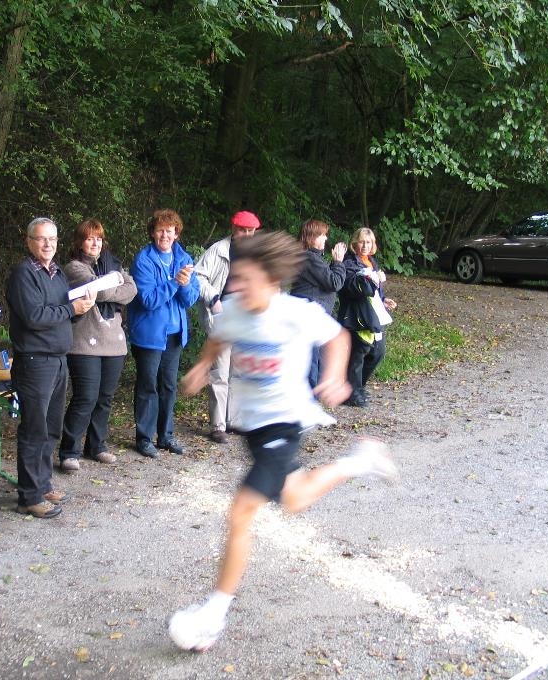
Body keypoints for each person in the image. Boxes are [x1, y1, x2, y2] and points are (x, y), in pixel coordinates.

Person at [167, 231, 398, 652]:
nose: (238, 286)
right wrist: (202, 367)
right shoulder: (234, 309)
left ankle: (213, 615)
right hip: (253, 428)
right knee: (294, 498)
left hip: (284, 423)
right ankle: (359, 461)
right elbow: (218, 338)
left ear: (272, 281)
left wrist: (334, 376)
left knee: (241, 511)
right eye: (236, 278)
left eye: (247, 279)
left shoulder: (296, 312)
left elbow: (339, 337)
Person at [6, 217, 95, 519]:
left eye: (53, 239)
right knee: (34, 429)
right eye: (41, 238)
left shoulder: (57, 273)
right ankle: (28, 497)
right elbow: (34, 316)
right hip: (34, 361)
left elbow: (63, 315)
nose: (48, 244)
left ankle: (42, 485)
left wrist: (81, 308)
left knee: (51, 428)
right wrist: (71, 309)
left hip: (58, 359)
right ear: (29, 241)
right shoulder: (23, 274)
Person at [58, 219, 137, 471]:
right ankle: (69, 451)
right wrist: (115, 283)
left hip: (114, 344)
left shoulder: (113, 265)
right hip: (84, 344)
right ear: (80, 242)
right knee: (86, 398)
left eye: (99, 239)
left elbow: (132, 290)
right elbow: (99, 292)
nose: (95, 243)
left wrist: (110, 283)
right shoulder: (74, 268)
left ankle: (97, 446)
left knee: (104, 399)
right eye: (90, 238)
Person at [128, 208, 200, 458]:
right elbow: (148, 300)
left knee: (168, 386)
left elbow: (191, 298)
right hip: (149, 334)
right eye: (160, 230)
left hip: (175, 334)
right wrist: (174, 282)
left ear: (176, 233)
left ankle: (166, 435)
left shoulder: (184, 258)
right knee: (148, 386)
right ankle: (144, 438)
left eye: (170, 231)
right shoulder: (143, 260)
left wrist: (185, 284)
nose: (165, 235)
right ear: (152, 232)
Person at [194, 210, 261, 443]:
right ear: (234, 228)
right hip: (222, 320)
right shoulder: (218, 250)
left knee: (240, 373)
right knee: (220, 373)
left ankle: (233, 419)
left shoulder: (257, 254)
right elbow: (197, 276)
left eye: (251, 231)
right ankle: (218, 425)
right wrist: (213, 297)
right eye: (243, 230)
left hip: (246, 321)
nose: (247, 234)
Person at [336, 227, 397, 408]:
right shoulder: (349, 263)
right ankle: (352, 393)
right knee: (358, 353)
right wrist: (372, 278)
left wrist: (384, 300)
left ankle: (358, 387)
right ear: (355, 243)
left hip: (373, 315)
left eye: (368, 242)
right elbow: (353, 288)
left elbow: (375, 291)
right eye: (362, 242)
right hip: (356, 316)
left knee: (378, 352)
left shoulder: (371, 262)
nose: (365, 246)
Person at [289, 219, 347, 388]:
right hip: (309, 317)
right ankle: (308, 396)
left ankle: (312, 393)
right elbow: (334, 282)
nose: (326, 239)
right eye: (322, 235)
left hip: (312, 316)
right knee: (310, 362)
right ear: (311, 237)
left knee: (315, 360)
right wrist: (338, 262)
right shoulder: (309, 258)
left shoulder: (311, 258)